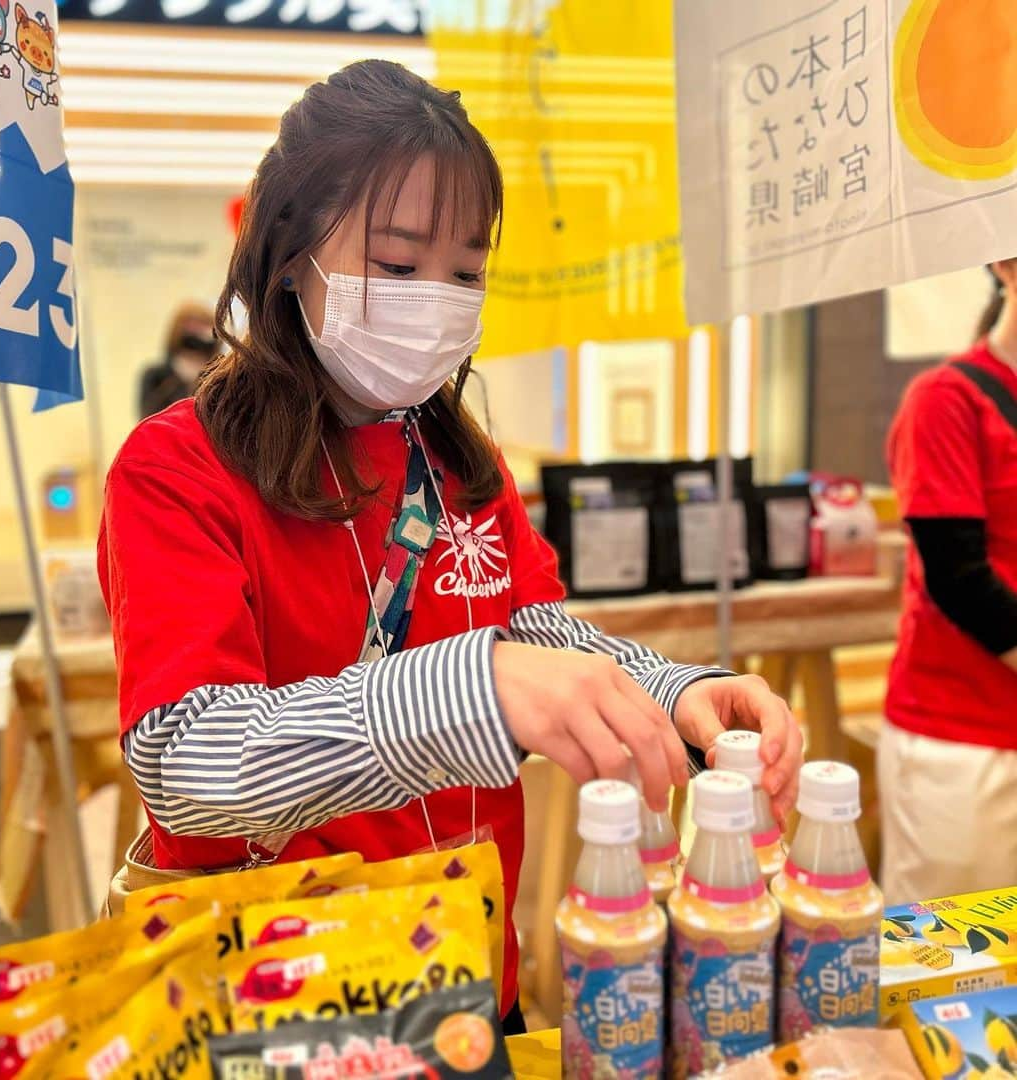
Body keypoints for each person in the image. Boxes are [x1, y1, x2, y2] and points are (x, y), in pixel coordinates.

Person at [99, 60, 803, 1033]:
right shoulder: (176, 470)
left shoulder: (456, 460)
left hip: (470, 992)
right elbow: (189, 761)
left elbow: (537, 635)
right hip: (285, 1010)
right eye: (396, 264)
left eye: (465, 273)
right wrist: (474, 687)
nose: (436, 298)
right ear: (286, 251)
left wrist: (673, 689)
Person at [882, 259, 1017, 903]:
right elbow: (958, 577)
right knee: (952, 975)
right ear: (1007, 265)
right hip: (962, 740)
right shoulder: (946, 399)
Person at [137, 302, 219, 420]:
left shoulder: (218, 376)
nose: (199, 334)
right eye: (191, 327)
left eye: (204, 327)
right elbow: (148, 417)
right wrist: (180, 379)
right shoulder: (155, 376)